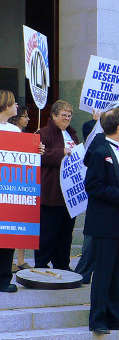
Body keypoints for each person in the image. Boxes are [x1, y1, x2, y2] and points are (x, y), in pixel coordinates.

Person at [84, 108, 119, 334]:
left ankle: (117, 316)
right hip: (105, 222)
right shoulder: (100, 151)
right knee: (104, 272)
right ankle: (98, 319)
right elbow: (93, 186)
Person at [76, 102, 119, 284]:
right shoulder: (101, 147)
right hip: (105, 212)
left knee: (116, 268)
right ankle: (83, 274)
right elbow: (93, 182)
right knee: (98, 256)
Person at [37, 100, 80, 270]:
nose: (67, 118)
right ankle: (41, 264)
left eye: (69, 115)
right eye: (63, 115)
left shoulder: (72, 134)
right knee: (48, 233)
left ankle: (62, 264)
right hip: (51, 192)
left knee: (66, 233)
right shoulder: (43, 133)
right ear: (54, 116)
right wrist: (60, 153)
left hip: (70, 194)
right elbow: (40, 157)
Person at [0, 90, 21, 293]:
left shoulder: (15, 131)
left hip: (11, 189)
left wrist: (35, 151)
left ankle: (4, 278)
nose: (17, 107)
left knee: (8, 236)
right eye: (14, 103)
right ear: (5, 105)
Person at [7, 105, 32, 272]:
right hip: (10, 183)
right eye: (25, 116)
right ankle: (9, 261)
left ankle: (21, 259)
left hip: (23, 184)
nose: (28, 119)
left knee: (21, 223)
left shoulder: (25, 136)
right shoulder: (8, 133)